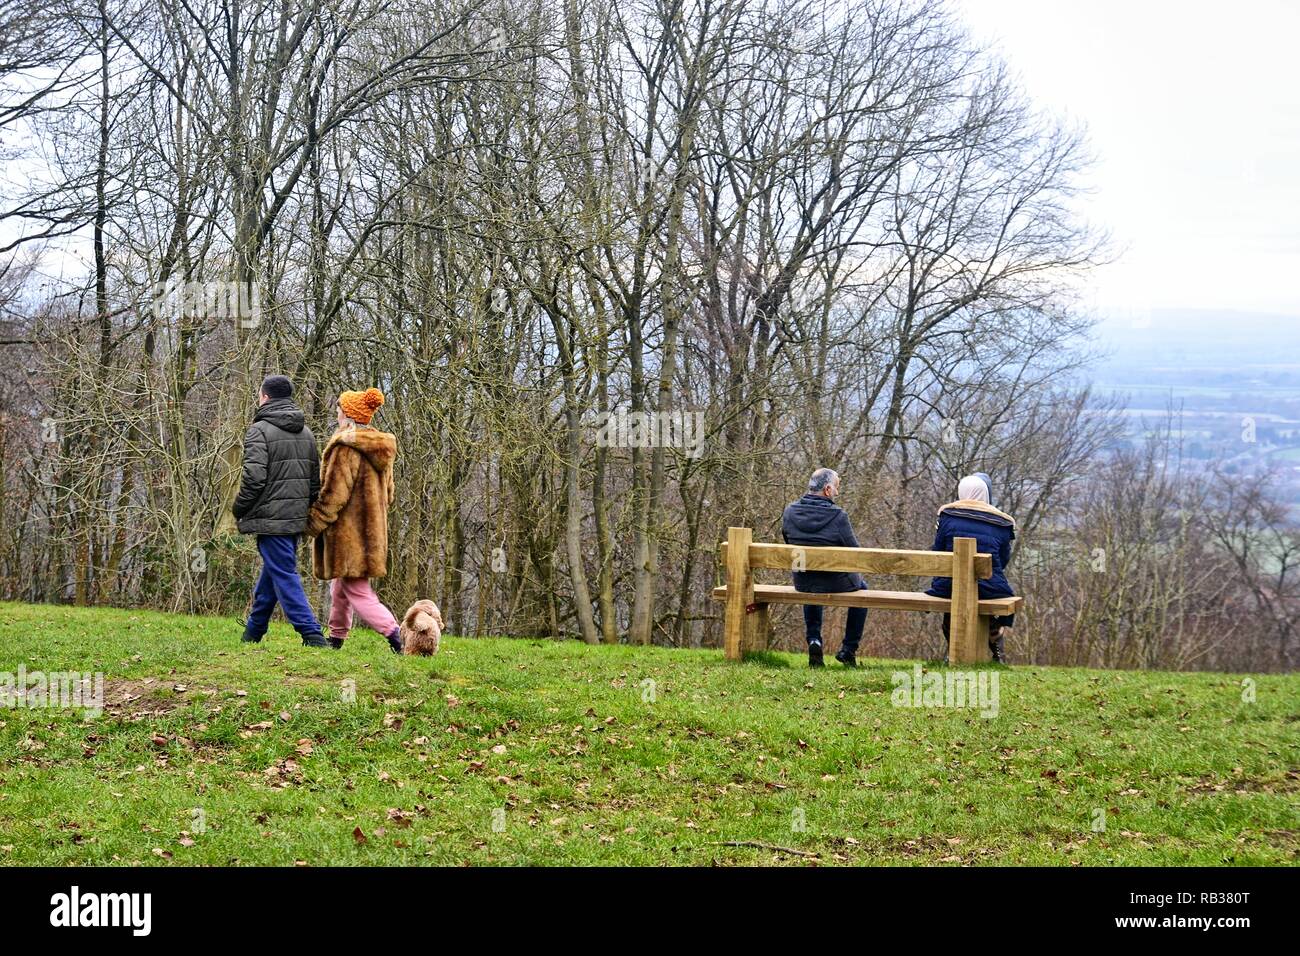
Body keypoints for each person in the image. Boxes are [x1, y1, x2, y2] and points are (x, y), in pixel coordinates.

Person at [305, 387, 403, 653]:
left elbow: (334, 495)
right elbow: (389, 495)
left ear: (348, 415)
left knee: (357, 591)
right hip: (372, 533)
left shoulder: (345, 448)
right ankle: (336, 638)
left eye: (339, 409)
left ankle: (396, 635)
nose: (336, 414)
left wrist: (313, 522)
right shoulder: (381, 449)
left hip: (348, 535)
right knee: (341, 587)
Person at [234, 374, 329, 648]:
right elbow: (314, 482)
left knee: (284, 574)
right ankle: (253, 632)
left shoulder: (259, 430)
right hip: (295, 517)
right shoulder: (306, 431)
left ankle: (312, 634)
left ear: (265, 397)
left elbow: (254, 479)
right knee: (274, 573)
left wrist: (240, 508)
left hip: (270, 517)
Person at [781, 468, 867, 668]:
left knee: (812, 584)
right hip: (834, 581)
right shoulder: (838, 516)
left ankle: (814, 640)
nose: (837, 492)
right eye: (837, 487)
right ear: (827, 490)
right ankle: (848, 650)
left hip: (802, 581)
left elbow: (788, 542)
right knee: (863, 589)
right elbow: (855, 553)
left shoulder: (790, 511)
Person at [926, 473, 1016, 664]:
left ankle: (953, 652)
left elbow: (938, 552)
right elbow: (1004, 559)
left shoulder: (947, 517)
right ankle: (996, 648)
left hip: (948, 586)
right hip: (990, 587)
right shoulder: (1002, 523)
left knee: (956, 595)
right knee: (976, 595)